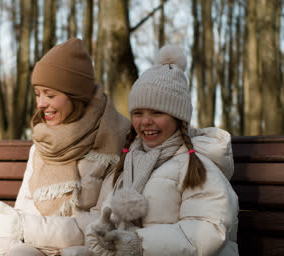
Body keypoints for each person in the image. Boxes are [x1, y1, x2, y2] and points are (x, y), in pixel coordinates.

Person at [0, 38, 131, 256]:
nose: (40, 104)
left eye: (50, 95)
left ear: (76, 97)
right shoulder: (42, 142)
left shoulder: (113, 140)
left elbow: (102, 223)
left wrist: (24, 227)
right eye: (38, 94)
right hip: (34, 246)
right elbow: (24, 209)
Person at [85, 45, 239, 256]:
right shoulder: (130, 163)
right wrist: (102, 232)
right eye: (138, 113)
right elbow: (109, 218)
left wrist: (140, 243)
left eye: (157, 112)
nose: (146, 121)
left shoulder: (198, 167)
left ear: (178, 117)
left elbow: (208, 230)